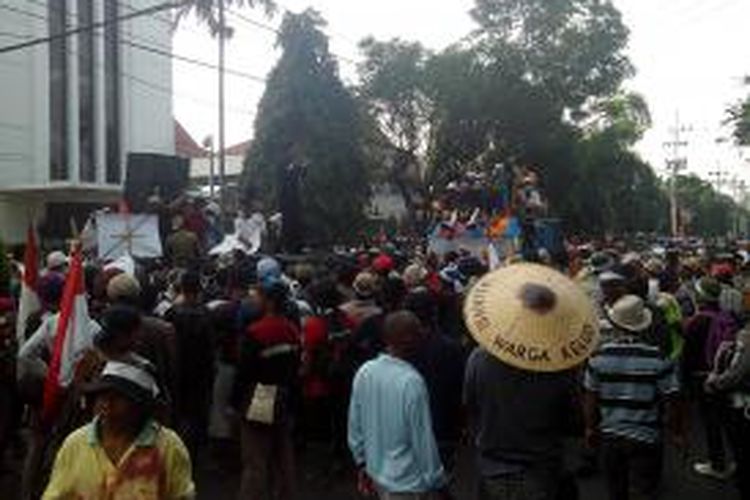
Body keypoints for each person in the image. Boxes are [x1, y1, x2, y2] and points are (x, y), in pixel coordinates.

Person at [463, 264, 596, 500]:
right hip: (541, 469)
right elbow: (573, 422)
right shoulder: (559, 366)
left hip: (492, 468)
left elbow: (470, 406)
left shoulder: (478, 358)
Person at [42, 359, 195, 499]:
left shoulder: (169, 447)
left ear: (140, 406)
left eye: (118, 398)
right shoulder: (76, 443)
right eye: (103, 396)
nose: (107, 405)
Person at [584, 295, 682, 500]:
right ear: (643, 325)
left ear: (614, 324)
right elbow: (671, 397)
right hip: (647, 435)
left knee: (616, 491)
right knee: (645, 490)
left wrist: (590, 429)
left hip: (610, 435)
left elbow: (590, 398)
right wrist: (676, 432)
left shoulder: (598, 357)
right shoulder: (657, 357)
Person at [348, 311, 449, 499]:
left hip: (376, 477)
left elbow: (355, 425)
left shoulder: (365, 371)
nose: (423, 338)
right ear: (408, 339)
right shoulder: (411, 381)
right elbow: (423, 441)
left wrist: (361, 462)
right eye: (418, 333)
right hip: (407, 485)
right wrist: (437, 482)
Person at [232, 279, 300, 500]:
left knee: (255, 459)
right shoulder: (292, 329)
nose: (256, 301)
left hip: (261, 395)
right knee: (283, 457)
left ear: (270, 302)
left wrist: (234, 402)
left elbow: (244, 372)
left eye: (260, 297)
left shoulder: (256, 331)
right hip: (285, 395)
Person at [682, 276, 739, 480]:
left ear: (700, 296)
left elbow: (687, 356)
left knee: (711, 423)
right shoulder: (726, 316)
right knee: (729, 420)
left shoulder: (696, 321)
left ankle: (718, 464)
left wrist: (684, 383)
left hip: (702, 378)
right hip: (724, 374)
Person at [164, 271, 215, 460]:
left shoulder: (172, 313)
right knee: (197, 413)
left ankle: (178, 452)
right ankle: (192, 453)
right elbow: (211, 348)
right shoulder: (206, 314)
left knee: (179, 413)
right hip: (201, 372)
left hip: (178, 371)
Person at [705, 327, 750, 499]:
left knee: (742, 450)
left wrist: (715, 383)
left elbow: (738, 373)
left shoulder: (746, 336)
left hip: (743, 404)